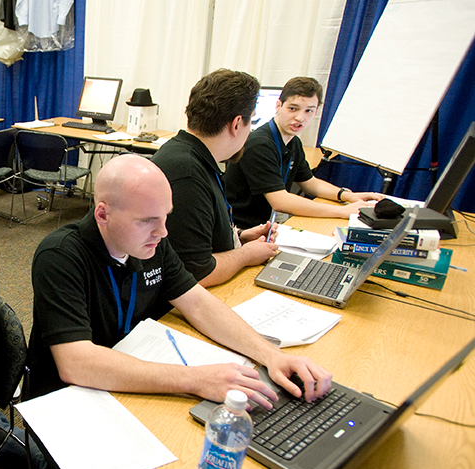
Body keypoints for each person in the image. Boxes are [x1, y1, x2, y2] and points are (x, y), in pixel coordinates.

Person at [28, 153, 332, 408]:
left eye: (165, 217)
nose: (163, 232)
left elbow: (197, 302)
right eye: (147, 221)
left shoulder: (151, 243)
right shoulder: (61, 255)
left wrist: (270, 355)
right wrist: (197, 380)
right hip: (68, 397)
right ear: (103, 214)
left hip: (128, 371)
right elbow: (76, 362)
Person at [150, 69, 277, 287]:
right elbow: (197, 273)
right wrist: (246, 254)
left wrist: (239, 236)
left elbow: (189, 238)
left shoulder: (193, 157)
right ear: (237, 124)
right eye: (251, 122)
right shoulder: (187, 174)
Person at [225, 77, 383, 229]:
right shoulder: (260, 143)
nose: (300, 118)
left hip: (269, 224)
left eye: (308, 111)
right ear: (278, 106)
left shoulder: (293, 142)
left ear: (316, 113)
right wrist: (342, 211)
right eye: (292, 109)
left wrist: (348, 195)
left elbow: (310, 183)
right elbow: (280, 201)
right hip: (245, 229)